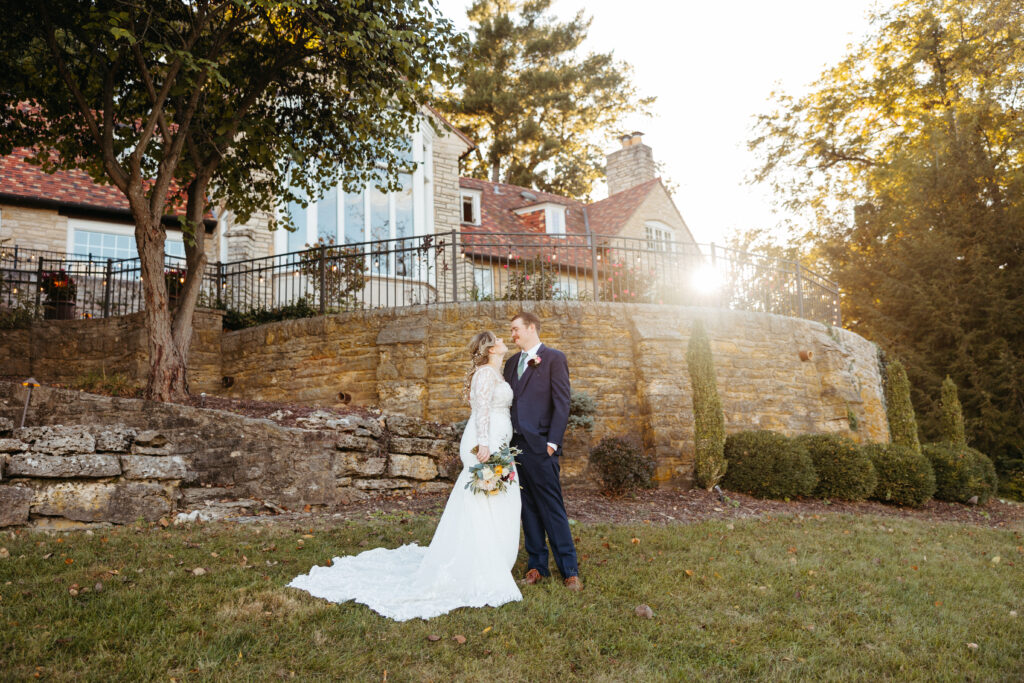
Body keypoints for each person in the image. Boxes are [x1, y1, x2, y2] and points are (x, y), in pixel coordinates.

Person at [288, 331, 522, 621]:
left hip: (498, 441)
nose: (503, 340)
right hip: (484, 444)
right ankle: (480, 562)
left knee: (496, 500)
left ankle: (491, 557)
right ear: (489, 348)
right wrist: (484, 444)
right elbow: (482, 411)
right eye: (498, 339)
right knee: (483, 500)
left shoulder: (496, 373)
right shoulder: (485, 375)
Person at [504, 311, 582, 591]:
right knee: (527, 509)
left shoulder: (554, 358)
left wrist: (552, 443)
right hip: (515, 448)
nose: (512, 335)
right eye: (511, 330)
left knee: (552, 508)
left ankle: (569, 569)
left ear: (531, 327)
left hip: (541, 447)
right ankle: (537, 566)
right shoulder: (511, 363)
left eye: (516, 329)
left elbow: (562, 403)